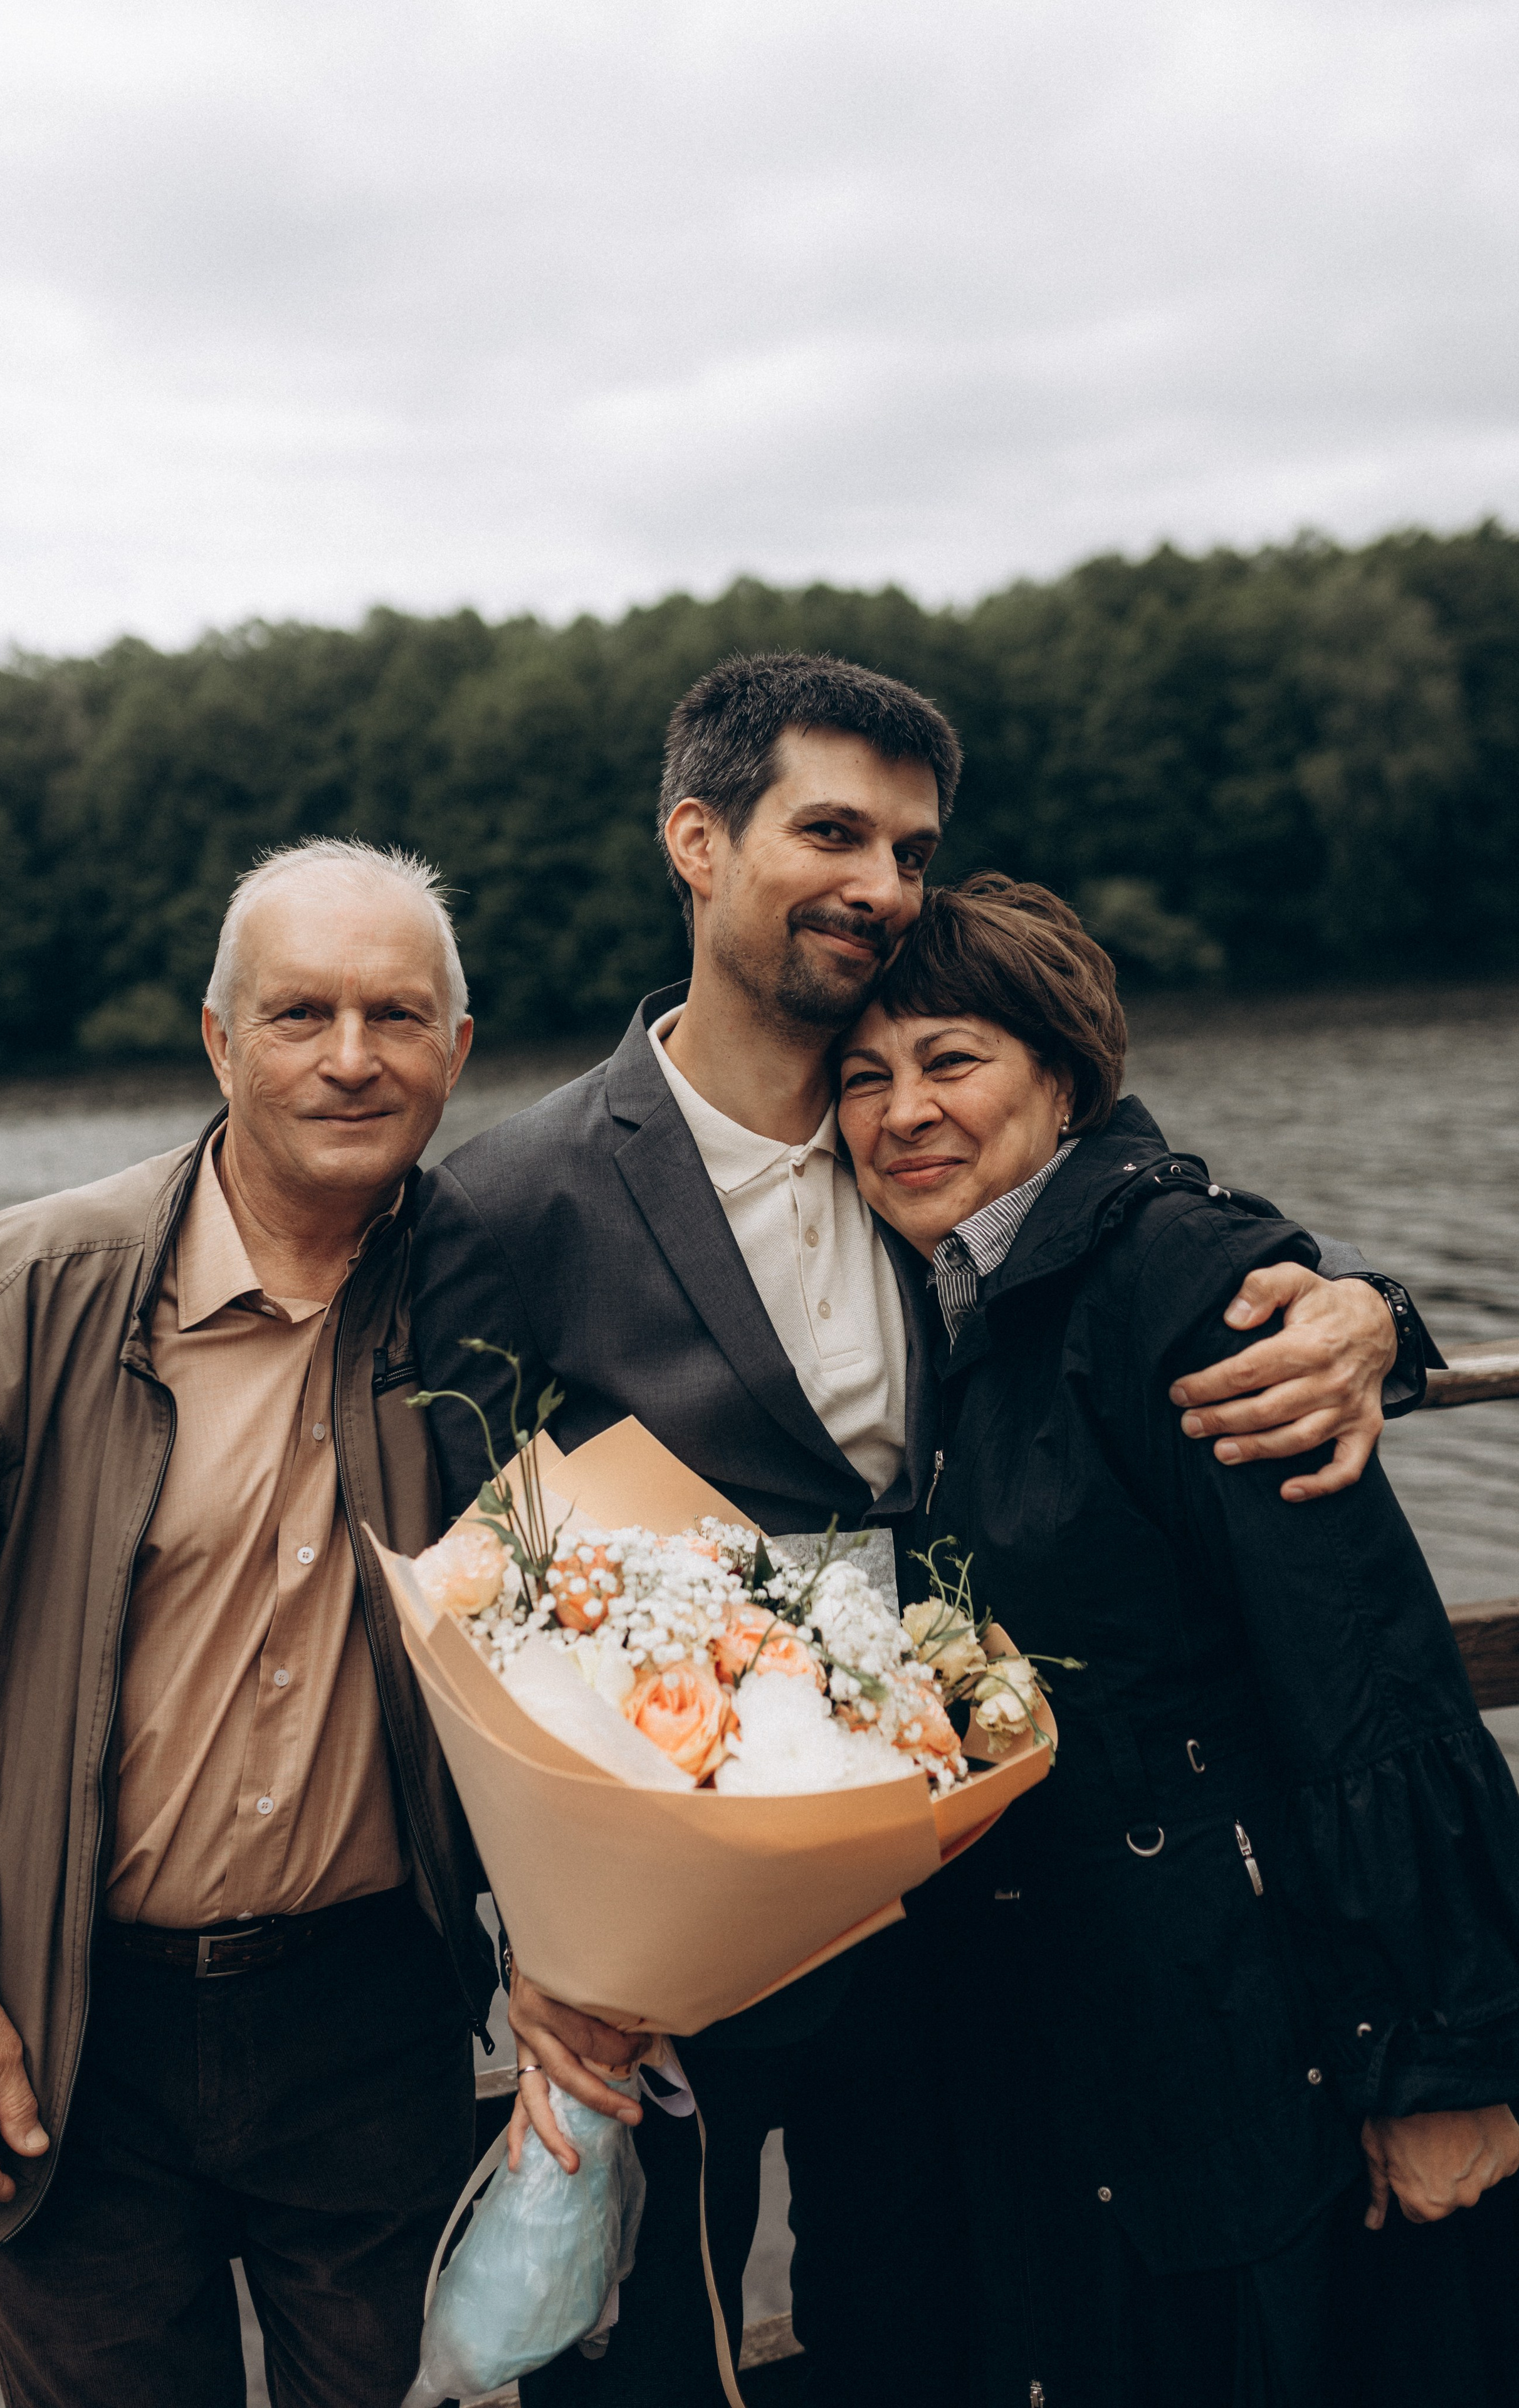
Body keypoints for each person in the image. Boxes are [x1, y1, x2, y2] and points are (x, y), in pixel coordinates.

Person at [410, 653, 1421, 2406]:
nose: (881, 883)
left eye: (910, 843)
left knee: (942, 2343)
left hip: (974, 1922)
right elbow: (457, 1596)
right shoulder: (516, 1198)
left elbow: (1164, 1236)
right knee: (648, 2367)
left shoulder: (941, 1140)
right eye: (832, 831)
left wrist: (1368, 1312)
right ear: (696, 843)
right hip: (671, 1944)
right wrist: (542, 1957)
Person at [836, 872, 1519, 2407]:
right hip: (1127, 2021)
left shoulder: (1173, 1277)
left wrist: (1447, 2069)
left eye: (949, 1062)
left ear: (1063, 1075)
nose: (901, 1113)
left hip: (1271, 2022)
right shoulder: (966, 1298)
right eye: (864, 1079)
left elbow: (1371, 1677)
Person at [0, 840, 495, 2408]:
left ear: (458, 1049)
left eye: (396, 1016)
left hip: (378, 2014)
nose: (352, 1060)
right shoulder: (25, 1297)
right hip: (71, 2024)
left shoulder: (492, 1300)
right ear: (217, 1041)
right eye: (301, 1014)